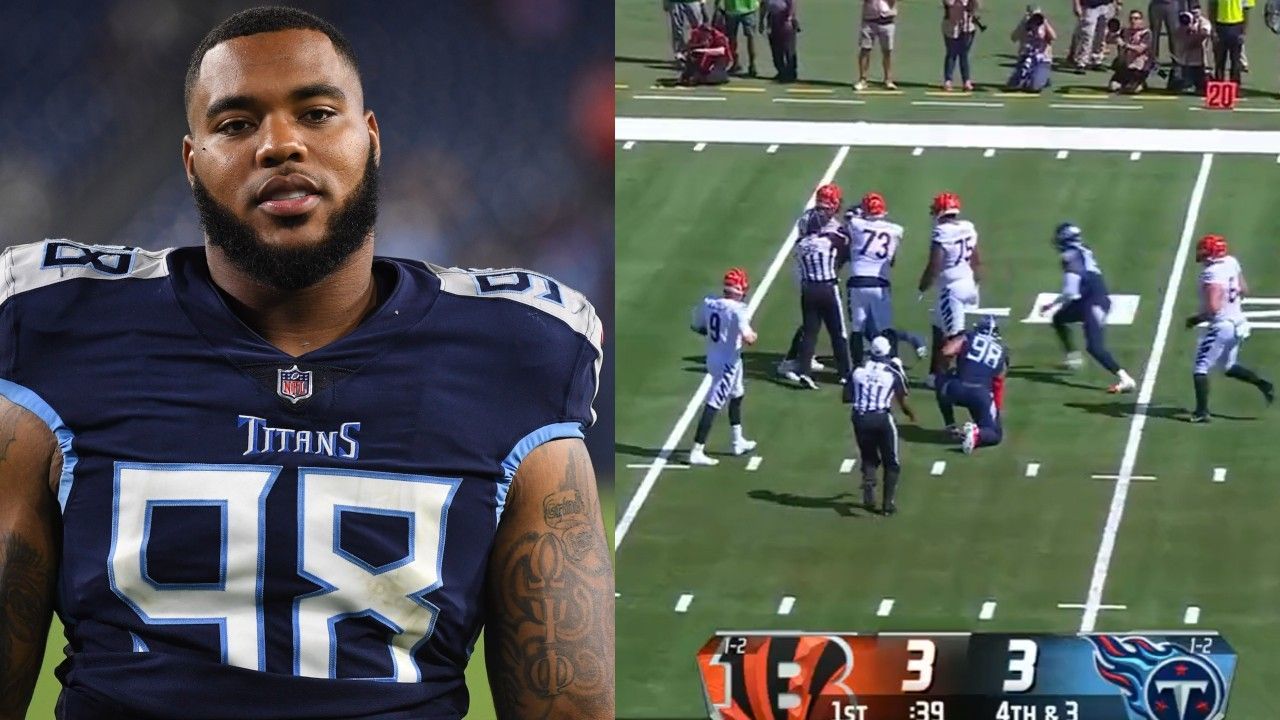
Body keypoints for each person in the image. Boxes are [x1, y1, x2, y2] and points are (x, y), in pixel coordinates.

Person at [0, 8, 612, 720]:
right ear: (192, 163)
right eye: (235, 124)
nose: (280, 144)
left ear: (370, 139)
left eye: (317, 113)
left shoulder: (515, 353)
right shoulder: (65, 329)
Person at [1038, 223, 1137, 393]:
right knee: (1059, 318)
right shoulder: (1083, 249)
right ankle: (1073, 359)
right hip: (1089, 300)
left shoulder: (1070, 257)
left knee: (1095, 347)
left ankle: (1125, 379)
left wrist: (1052, 304)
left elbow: (1071, 292)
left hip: (1093, 303)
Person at [1184, 235, 1274, 422]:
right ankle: (1263, 384)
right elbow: (1244, 289)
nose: (1201, 253)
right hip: (1239, 322)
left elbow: (1214, 308)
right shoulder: (1231, 262)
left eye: (1204, 250)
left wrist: (1195, 319)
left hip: (1222, 325)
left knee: (1200, 368)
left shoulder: (1212, 274)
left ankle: (1202, 412)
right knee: (1227, 366)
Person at [689, 268, 759, 464]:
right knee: (714, 402)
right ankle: (697, 449)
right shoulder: (738, 310)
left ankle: (737, 441)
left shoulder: (710, 303)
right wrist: (752, 336)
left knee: (737, 393)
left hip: (715, 357)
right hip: (728, 362)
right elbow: (748, 337)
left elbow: (697, 326)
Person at [778, 183, 843, 382]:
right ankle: (791, 360)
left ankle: (804, 357)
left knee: (814, 319)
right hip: (811, 270)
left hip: (810, 266)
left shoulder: (811, 217)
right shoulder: (816, 221)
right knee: (814, 319)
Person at [918, 192, 981, 389]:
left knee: (956, 339)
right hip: (968, 283)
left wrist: (922, 286)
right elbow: (976, 259)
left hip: (952, 290)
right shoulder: (968, 227)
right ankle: (935, 374)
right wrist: (976, 282)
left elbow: (934, 265)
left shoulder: (941, 233)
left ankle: (965, 377)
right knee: (938, 328)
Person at [793, 195, 854, 389]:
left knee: (810, 332)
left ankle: (804, 371)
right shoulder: (829, 241)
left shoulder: (800, 246)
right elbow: (845, 242)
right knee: (838, 331)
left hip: (808, 289)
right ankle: (844, 372)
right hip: (828, 287)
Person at [850, 336, 915, 515]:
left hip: (860, 417)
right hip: (881, 418)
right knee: (891, 462)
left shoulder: (859, 369)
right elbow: (902, 396)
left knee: (869, 456)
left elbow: (847, 396)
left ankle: (870, 486)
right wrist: (910, 413)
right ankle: (887, 505)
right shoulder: (892, 371)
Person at [845, 192, 905, 368]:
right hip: (880, 282)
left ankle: (856, 366)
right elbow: (891, 260)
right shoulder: (896, 230)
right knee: (886, 326)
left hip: (858, 281)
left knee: (857, 328)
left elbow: (849, 216)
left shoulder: (856, 224)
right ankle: (894, 361)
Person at [937, 316, 1008, 454]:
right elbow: (998, 385)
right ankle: (977, 434)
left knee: (940, 380)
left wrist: (948, 371)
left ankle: (950, 424)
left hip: (956, 388)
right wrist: (996, 411)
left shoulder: (968, 336)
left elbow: (946, 351)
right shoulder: (1002, 353)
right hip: (980, 395)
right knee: (995, 434)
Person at [1008, 7, 1057, 92]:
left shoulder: (1043, 26)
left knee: (1034, 87)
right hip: (1025, 59)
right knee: (1012, 86)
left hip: (1042, 61)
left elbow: (1054, 37)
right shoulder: (1024, 26)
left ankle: (1044, 79)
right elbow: (1013, 38)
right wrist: (1023, 23)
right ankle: (1028, 78)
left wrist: (1045, 22)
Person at [1169, 4, 1213, 93]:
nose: (1195, 15)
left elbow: (1204, 35)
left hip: (1200, 62)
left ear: (1200, 12)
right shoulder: (1185, 20)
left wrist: (1194, 33)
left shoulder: (1204, 22)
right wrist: (1186, 28)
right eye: (1193, 12)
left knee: (1203, 87)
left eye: (1196, 12)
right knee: (1183, 87)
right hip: (1186, 62)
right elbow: (1177, 36)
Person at [857, 0, 900, 90]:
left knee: (887, 51)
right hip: (869, 20)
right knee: (865, 50)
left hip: (887, 21)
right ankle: (863, 80)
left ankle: (888, 80)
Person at [1107, 10, 1154, 93]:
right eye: (1131, 18)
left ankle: (1141, 83)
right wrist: (1113, 35)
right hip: (1125, 66)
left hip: (1139, 67)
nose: (1133, 21)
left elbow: (1140, 49)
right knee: (1112, 86)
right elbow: (1109, 40)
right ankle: (1127, 82)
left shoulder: (1146, 33)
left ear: (1141, 20)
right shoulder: (1125, 31)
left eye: (1136, 18)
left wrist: (1125, 45)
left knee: (1132, 90)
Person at [942, 0, 982, 91]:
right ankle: (948, 80)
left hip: (967, 26)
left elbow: (976, 6)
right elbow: (949, 3)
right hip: (951, 25)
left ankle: (966, 81)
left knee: (964, 54)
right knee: (951, 53)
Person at [717, 0, 761, 75]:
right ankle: (752, 64)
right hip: (748, 8)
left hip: (732, 8)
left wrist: (717, 5)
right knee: (750, 37)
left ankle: (737, 62)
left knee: (732, 38)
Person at [1074, 0, 1120, 68]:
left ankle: (1096, 58)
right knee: (1088, 34)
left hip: (1107, 5)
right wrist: (1076, 4)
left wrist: (1119, 3)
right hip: (1089, 6)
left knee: (1102, 34)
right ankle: (1082, 60)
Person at [763, 0, 800, 81]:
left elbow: (792, 4)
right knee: (775, 48)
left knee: (788, 48)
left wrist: (789, 18)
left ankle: (791, 72)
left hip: (785, 19)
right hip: (773, 19)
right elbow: (763, 6)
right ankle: (781, 71)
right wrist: (761, 21)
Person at [1211, 0, 1247, 83]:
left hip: (1237, 25)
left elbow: (1246, 10)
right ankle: (1218, 83)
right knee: (1219, 59)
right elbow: (1212, 7)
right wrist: (1213, 29)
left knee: (1235, 59)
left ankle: (1235, 84)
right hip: (1220, 25)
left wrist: (1243, 31)